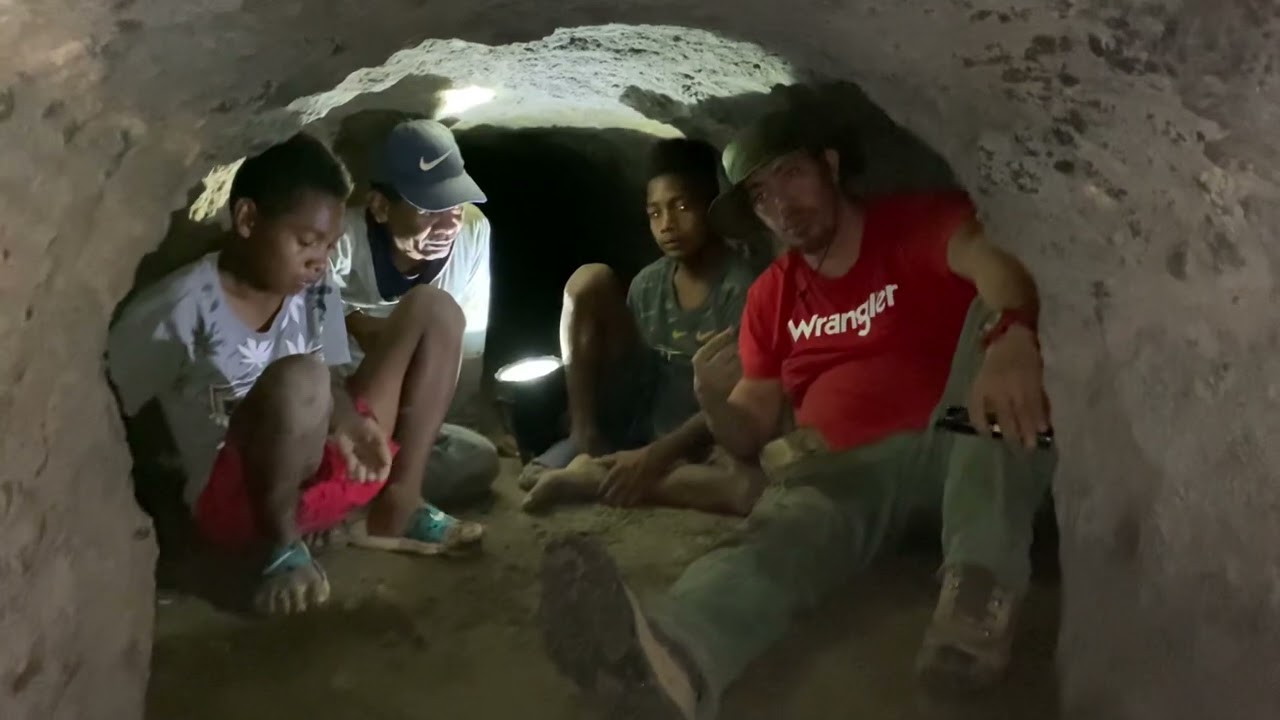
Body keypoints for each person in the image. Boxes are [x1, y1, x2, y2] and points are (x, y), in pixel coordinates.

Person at [537, 109, 1057, 718]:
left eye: (790, 175)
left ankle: (977, 597)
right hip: (844, 477)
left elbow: (993, 263)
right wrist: (711, 398)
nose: (780, 205)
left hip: (955, 447)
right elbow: (750, 430)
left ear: (830, 166)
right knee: (776, 536)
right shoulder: (771, 297)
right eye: (761, 194)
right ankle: (669, 664)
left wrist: (1013, 336)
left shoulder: (915, 224)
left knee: (988, 318)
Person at [108, 133, 484, 616]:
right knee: (299, 376)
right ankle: (282, 549)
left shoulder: (319, 287)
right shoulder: (177, 310)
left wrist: (349, 421)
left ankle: (399, 505)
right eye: (306, 242)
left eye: (328, 246)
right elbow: (108, 414)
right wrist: (168, 535)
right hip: (244, 506)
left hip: (329, 471)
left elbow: (329, 370)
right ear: (247, 219)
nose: (318, 260)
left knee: (435, 309)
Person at [517, 138, 763, 516]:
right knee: (590, 279)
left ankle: (593, 477)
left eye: (682, 207)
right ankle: (584, 440)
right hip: (641, 415)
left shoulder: (740, 287)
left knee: (747, 488)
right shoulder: (648, 284)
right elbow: (631, 374)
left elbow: (736, 401)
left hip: (700, 431)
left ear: (712, 206)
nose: (667, 225)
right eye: (654, 213)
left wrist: (656, 456)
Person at [330, 119, 499, 506]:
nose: (448, 223)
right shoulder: (340, 241)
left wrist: (446, 425)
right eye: (428, 210)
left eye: (454, 204)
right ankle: (373, 482)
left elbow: (468, 347)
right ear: (380, 206)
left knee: (478, 460)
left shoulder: (471, 232)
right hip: (347, 413)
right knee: (432, 308)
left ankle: (367, 486)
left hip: (416, 417)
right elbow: (317, 352)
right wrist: (357, 323)